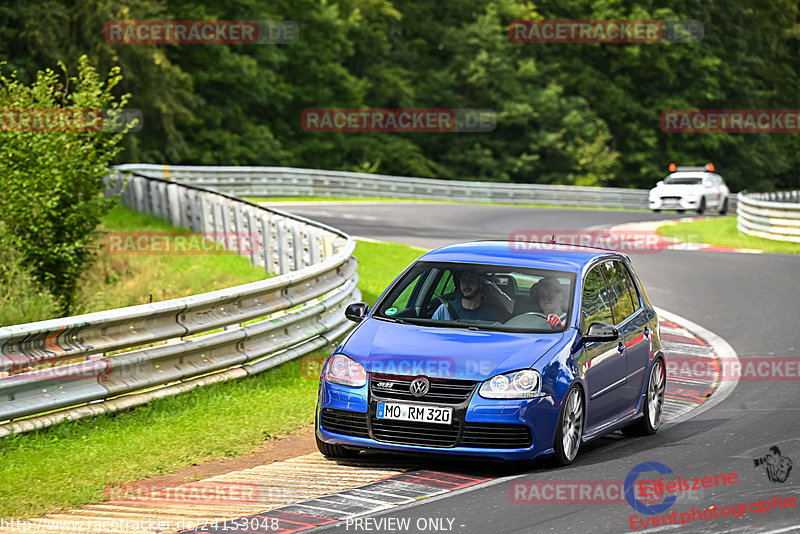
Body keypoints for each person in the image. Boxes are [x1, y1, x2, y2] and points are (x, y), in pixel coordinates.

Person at [432, 269, 500, 322]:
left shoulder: (491, 314)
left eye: (471, 280)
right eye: (463, 280)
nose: (466, 284)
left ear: (481, 284)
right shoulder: (445, 310)